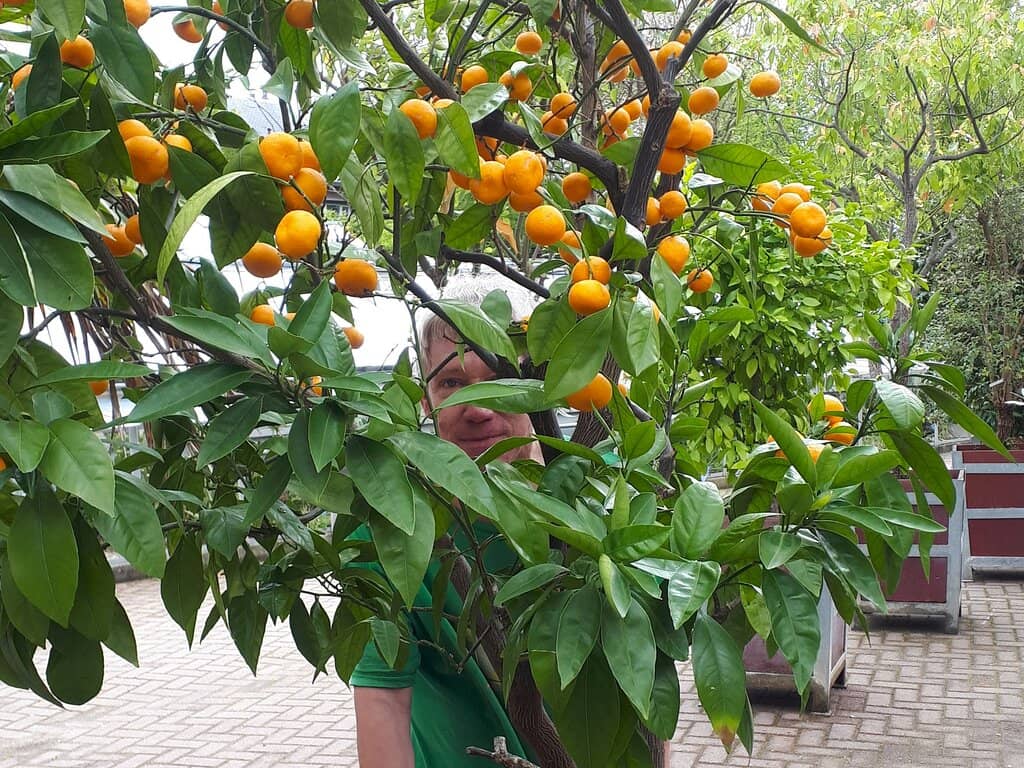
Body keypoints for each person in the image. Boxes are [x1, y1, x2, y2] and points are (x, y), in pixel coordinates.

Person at [351, 275, 541, 767]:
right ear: (425, 399)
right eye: (452, 383)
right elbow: (384, 704)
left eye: (500, 379)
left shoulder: (599, 507)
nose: (475, 408)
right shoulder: (391, 532)